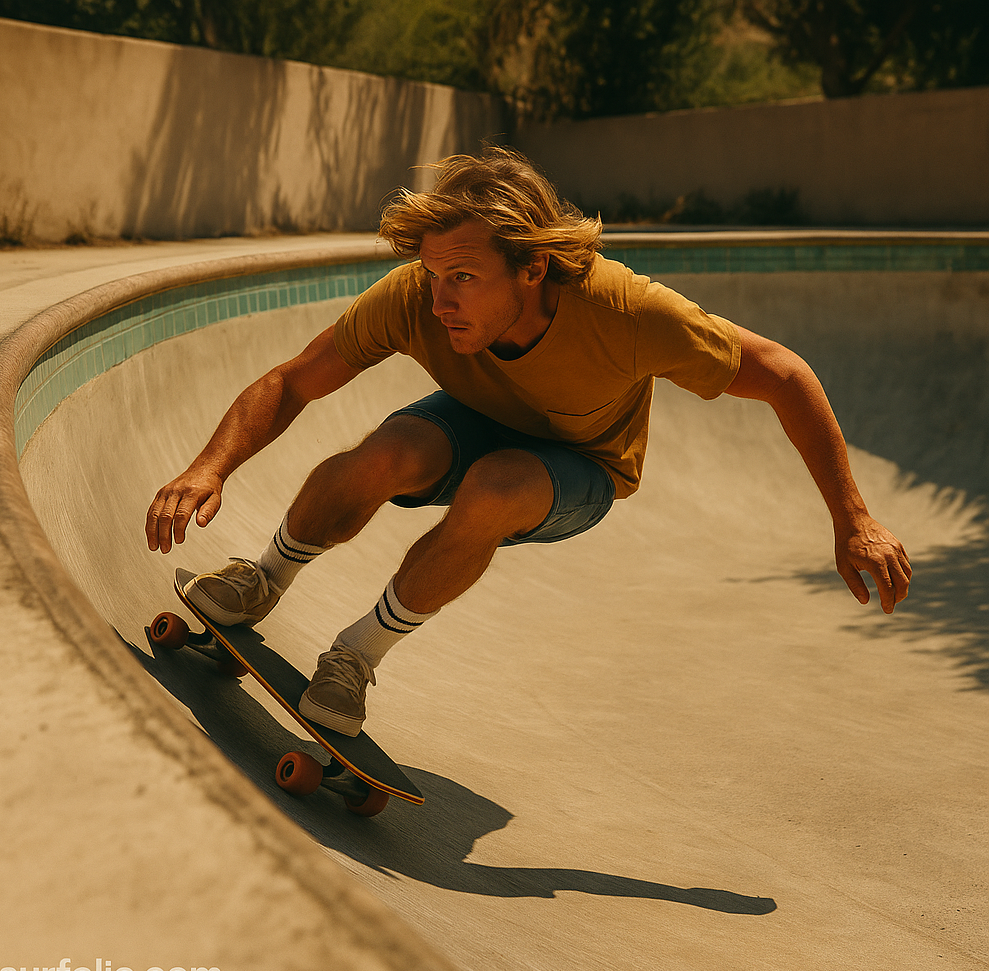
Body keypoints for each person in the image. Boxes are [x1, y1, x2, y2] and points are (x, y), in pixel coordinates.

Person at [145, 145, 911, 738]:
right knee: (387, 452)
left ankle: (355, 657)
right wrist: (209, 467)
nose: (441, 300)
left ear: (533, 266)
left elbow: (783, 373)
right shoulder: (418, 297)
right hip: (478, 415)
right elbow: (294, 381)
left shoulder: (626, 313)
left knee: (498, 484)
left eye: (466, 279)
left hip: (584, 466)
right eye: (433, 274)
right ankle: (265, 577)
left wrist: (853, 518)